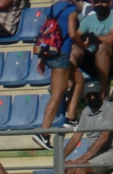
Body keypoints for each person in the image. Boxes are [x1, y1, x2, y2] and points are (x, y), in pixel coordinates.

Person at [34, 0, 84, 148]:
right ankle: (43, 133)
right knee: (57, 95)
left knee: (79, 80)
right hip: (61, 55)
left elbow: (46, 32)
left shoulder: (52, 8)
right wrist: (85, 44)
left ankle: (71, 117)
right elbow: (73, 33)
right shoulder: (72, 10)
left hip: (50, 53)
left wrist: (42, 58)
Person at [62, 80, 113, 174]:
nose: (92, 98)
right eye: (89, 96)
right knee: (61, 170)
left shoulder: (110, 108)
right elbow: (76, 137)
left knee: (80, 168)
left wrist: (85, 157)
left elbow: (104, 137)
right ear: (85, 98)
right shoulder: (85, 112)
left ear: (102, 94)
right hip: (95, 154)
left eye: (95, 95)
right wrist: (61, 157)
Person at [73, 0, 113, 93]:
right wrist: (82, 42)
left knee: (102, 46)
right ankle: (73, 86)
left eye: (104, 1)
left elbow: (111, 39)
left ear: (110, 3)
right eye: (96, 2)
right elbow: (75, 36)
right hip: (99, 63)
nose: (100, 4)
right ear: (92, 4)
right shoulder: (89, 19)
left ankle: (102, 92)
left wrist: (92, 39)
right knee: (73, 49)